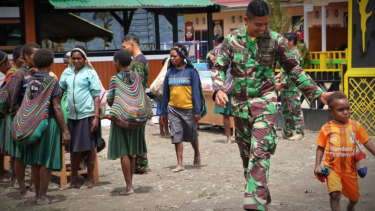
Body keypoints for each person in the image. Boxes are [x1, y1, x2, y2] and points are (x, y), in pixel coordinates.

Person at [211, 1, 330, 210]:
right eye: (258, 24)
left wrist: (318, 93)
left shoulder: (276, 40)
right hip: (239, 106)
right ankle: (261, 192)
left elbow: (293, 70)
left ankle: (254, 203)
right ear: (246, 20)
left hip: (265, 104)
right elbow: (219, 67)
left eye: (266, 24)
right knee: (247, 157)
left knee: (260, 152)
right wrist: (219, 89)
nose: (263, 28)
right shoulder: (231, 41)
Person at [22, 49, 71, 204]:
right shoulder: (52, 81)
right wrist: (65, 130)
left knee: (35, 161)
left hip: (33, 125)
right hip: (48, 124)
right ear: (51, 63)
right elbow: (56, 108)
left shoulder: (30, 80)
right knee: (46, 161)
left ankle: (38, 195)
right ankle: (42, 197)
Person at [315, 92, 375, 211]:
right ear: (330, 112)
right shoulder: (326, 128)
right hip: (332, 169)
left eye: (348, 108)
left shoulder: (355, 126)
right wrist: (317, 164)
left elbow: (366, 141)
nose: (346, 112)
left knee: (354, 198)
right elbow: (320, 146)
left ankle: (350, 207)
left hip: (350, 170)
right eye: (341, 109)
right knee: (335, 195)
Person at [59, 45, 101, 190]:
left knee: (90, 148)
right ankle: (73, 181)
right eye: (74, 58)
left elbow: (96, 96)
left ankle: (89, 180)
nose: (76, 61)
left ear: (84, 59)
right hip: (72, 116)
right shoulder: (67, 72)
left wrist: (96, 117)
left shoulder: (90, 73)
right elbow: (60, 90)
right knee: (74, 149)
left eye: (79, 58)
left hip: (88, 115)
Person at [107, 49, 148, 195]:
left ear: (117, 63)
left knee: (124, 152)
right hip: (137, 119)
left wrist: (121, 105)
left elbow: (110, 100)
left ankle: (128, 187)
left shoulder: (115, 79)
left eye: (114, 62)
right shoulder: (136, 76)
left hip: (121, 120)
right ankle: (131, 184)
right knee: (132, 153)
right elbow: (140, 94)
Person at [160, 43, 203, 172]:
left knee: (192, 135)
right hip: (173, 109)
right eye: (170, 57)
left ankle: (197, 153)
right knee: (176, 135)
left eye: (174, 56)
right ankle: (180, 164)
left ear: (182, 56)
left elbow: (196, 92)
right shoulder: (169, 72)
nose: (172, 59)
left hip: (188, 109)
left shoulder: (191, 71)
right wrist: (163, 112)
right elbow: (165, 94)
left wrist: (197, 111)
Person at [6, 43, 40, 197]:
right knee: (20, 155)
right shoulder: (19, 74)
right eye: (35, 55)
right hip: (21, 120)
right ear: (26, 56)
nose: (38, 58)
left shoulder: (38, 72)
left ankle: (34, 186)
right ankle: (22, 189)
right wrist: (17, 121)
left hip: (35, 120)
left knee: (33, 154)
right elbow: (14, 101)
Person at [121, 34, 150, 174]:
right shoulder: (139, 60)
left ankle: (140, 165)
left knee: (137, 135)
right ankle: (140, 164)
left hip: (136, 104)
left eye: (124, 46)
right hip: (139, 103)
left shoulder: (137, 62)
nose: (123, 49)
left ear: (132, 45)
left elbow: (134, 85)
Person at [275, 33, 305, 141]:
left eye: (285, 40)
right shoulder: (289, 53)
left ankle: (299, 132)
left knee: (295, 111)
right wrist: (278, 76)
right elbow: (285, 70)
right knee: (286, 111)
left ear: (291, 41)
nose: (284, 43)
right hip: (285, 89)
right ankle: (287, 132)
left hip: (291, 88)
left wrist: (282, 84)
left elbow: (293, 72)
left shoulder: (295, 54)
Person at [210, 34, 233, 144]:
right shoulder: (229, 48)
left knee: (226, 114)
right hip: (230, 84)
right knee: (235, 114)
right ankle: (234, 137)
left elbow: (215, 65)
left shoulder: (218, 49)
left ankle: (229, 137)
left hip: (223, 85)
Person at [0, 51, 11, 183]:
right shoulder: (2, 77)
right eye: (7, 63)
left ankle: (2, 169)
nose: (8, 66)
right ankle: (0, 175)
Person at [157, 57, 170, 137]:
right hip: (162, 95)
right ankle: (165, 131)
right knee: (163, 114)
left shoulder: (164, 72)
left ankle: (163, 131)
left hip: (161, 95)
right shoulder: (166, 73)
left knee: (163, 114)